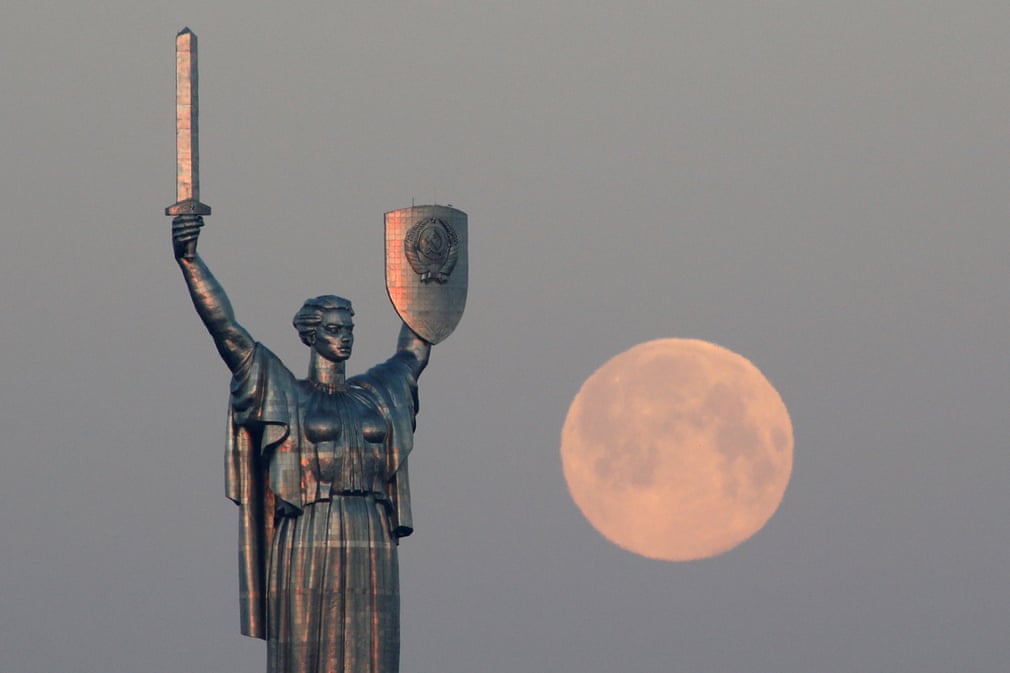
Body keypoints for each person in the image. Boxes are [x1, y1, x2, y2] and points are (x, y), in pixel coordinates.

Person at [172, 214, 429, 673]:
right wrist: (190, 262)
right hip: (309, 530)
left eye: (349, 329)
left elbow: (415, 348)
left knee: (373, 650)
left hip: (370, 530)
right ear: (312, 335)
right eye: (334, 329)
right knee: (308, 646)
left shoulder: (376, 393)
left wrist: (427, 275)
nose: (344, 337)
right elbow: (228, 331)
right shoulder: (288, 393)